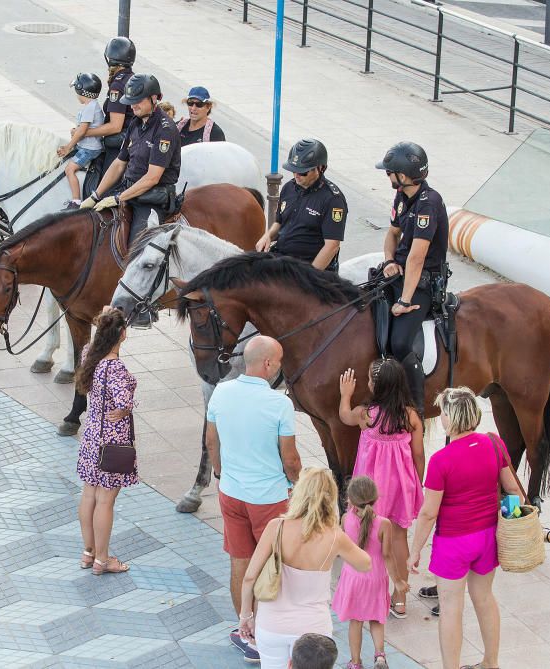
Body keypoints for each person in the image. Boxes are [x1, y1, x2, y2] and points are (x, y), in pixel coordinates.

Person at [408, 387, 524, 669]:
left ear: (451, 417)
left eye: (443, 413)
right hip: (487, 537)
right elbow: (515, 493)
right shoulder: (494, 443)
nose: (442, 417)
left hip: (453, 543)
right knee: (484, 599)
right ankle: (491, 663)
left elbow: (428, 514)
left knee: (451, 610)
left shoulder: (441, 460)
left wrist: (414, 552)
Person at [205, 335, 302, 663]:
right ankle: (275, 633)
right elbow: (290, 460)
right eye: (279, 361)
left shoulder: (221, 391)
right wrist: (300, 486)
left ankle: (247, 630)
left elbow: (211, 442)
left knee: (240, 562)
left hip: (231, 493)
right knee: (276, 566)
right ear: (268, 364)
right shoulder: (280, 403)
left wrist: (221, 475)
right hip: (270, 498)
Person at [238, 468, 371, 669]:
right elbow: (365, 563)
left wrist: (246, 616)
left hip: (272, 625)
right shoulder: (335, 536)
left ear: (299, 493)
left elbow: (249, 578)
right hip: (314, 630)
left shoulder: (277, 527)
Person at [338, 359, 424, 618]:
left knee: (366, 537)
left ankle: (367, 593)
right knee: (398, 537)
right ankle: (399, 598)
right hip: (400, 486)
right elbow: (418, 454)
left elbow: (344, 415)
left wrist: (345, 395)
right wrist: (417, 482)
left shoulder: (366, 414)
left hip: (370, 489)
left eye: (369, 379)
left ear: (376, 385)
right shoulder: (409, 416)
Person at [377, 141, 449, 414]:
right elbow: (393, 234)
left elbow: (418, 257)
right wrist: (389, 261)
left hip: (422, 281)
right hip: (401, 272)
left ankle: (416, 406)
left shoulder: (429, 204)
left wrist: (405, 300)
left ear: (403, 176)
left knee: (400, 341)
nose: (388, 176)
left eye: (390, 173)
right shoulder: (402, 197)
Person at [80, 73, 181, 244]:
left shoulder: (165, 130)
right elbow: (119, 164)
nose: (133, 106)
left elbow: (152, 178)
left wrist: (119, 198)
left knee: (137, 249)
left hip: (150, 198)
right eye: (130, 101)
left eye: (138, 101)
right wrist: (95, 196)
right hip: (128, 190)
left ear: (154, 98)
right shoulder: (135, 122)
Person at [75, 306, 138, 576]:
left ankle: (88, 552)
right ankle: (103, 559)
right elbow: (124, 401)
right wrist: (130, 405)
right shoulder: (115, 367)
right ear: (122, 334)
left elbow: (91, 342)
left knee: (89, 493)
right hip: (112, 442)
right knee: (105, 501)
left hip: (91, 436)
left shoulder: (90, 355)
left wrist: (105, 318)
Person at [332, 476, 407, 669]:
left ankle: (355, 662)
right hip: (376, 579)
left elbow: (342, 549)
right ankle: (380, 656)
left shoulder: (345, 519)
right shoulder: (384, 524)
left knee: (355, 621)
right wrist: (398, 581)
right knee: (377, 618)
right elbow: (388, 556)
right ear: (375, 498)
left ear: (349, 498)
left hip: (354, 578)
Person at [256, 139, 347, 272]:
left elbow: (332, 246)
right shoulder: (289, 188)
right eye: (293, 170)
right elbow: (279, 222)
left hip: (308, 267)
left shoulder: (333, 200)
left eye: (303, 172)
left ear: (321, 168)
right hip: (282, 258)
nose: (296, 175)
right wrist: (268, 236)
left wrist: (310, 276)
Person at [82, 36, 136, 172]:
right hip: (135, 136)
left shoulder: (118, 85)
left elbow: (115, 126)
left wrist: (84, 132)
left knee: (105, 184)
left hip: (122, 143)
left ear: (110, 59)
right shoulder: (131, 77)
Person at [58, 72, 104, 208]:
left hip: (89, 148)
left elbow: (82, 131)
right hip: (87, 145)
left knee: (69, 169)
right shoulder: (92, 105)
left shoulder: (89, 108)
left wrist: (68, 147)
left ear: (81, 91)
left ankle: (76, 201)